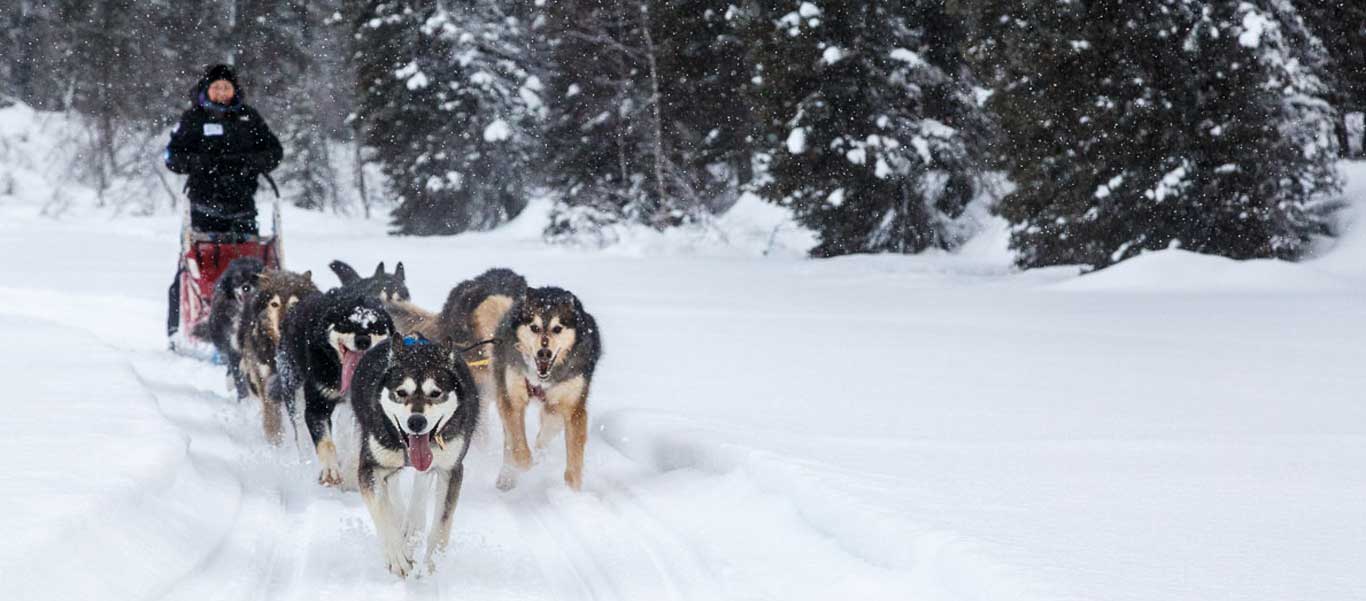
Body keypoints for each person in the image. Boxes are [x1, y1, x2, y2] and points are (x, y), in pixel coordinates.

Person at [165, 64, 283, 338]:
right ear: (207, 90)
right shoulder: (194, 118)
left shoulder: (248, 118)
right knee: (202, 268)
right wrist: (199, 162)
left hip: (242, 204)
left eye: (226, 87)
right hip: (204, 206)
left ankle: (254, 318)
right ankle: (200, 322)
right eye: (216, 87)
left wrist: (251, 162)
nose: (221, 92)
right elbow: (173, 157)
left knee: (249, 266)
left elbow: (274, 152)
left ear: (234, 90)